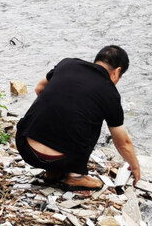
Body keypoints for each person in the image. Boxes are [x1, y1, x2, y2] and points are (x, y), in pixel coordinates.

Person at [15, 45, 141, 191]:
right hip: (63, 160)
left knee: (70, 113)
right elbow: (122, 142)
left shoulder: (67, 63)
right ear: (117, 71)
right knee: (92, 120)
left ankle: (53, 172)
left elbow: (39, 89)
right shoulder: (110, 92)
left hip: (25, 147)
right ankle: (76, 176)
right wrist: (135, 166)